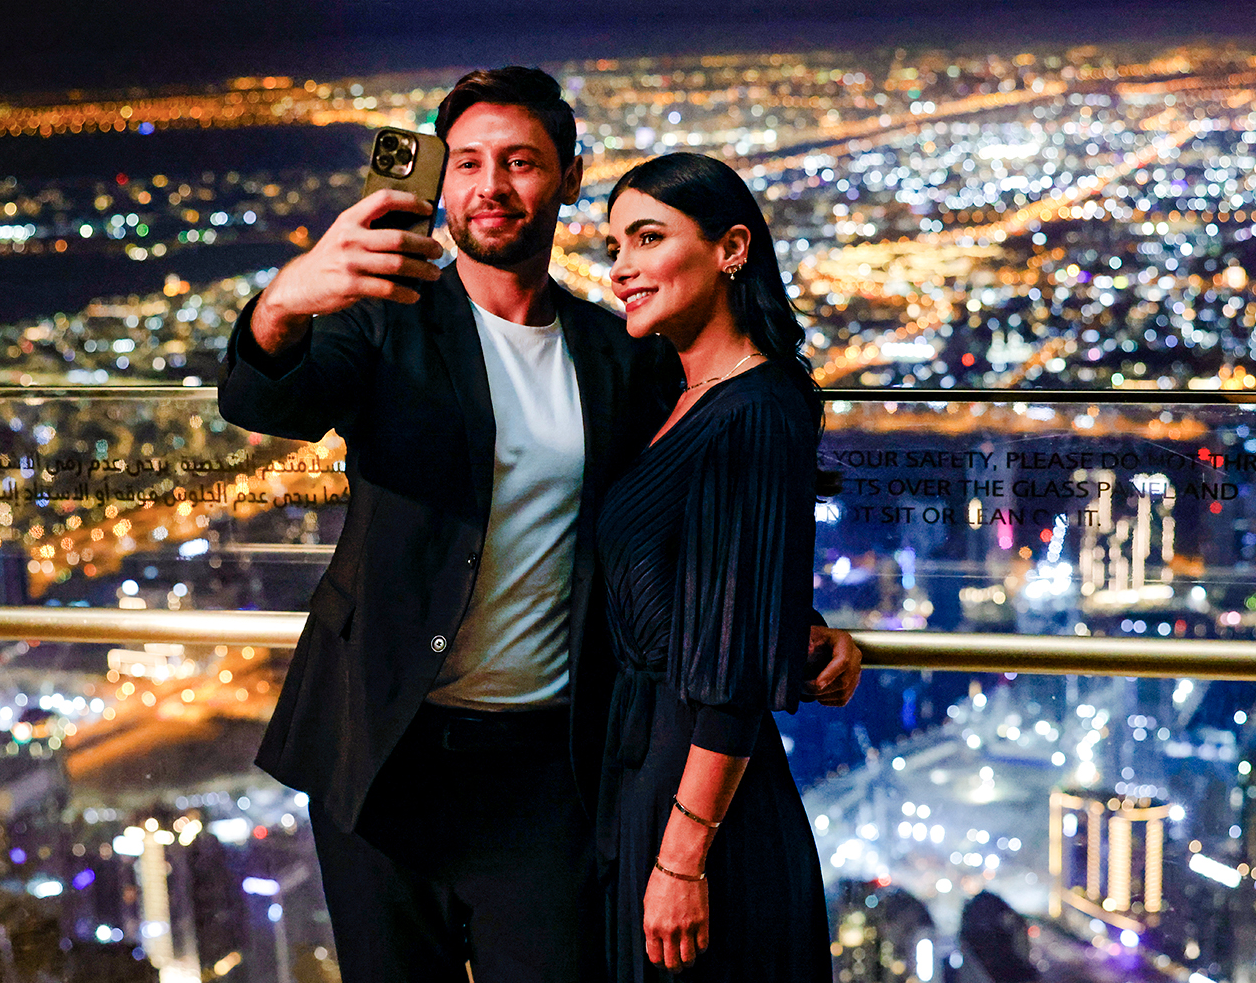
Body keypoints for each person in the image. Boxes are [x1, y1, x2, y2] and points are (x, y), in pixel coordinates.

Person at [217, 67, 860, 983]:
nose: (490, 186)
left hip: (550, 771)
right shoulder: (383, 324)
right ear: (439, 182)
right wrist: (285, 300)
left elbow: (688, 518)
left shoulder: (620, 351)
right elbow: (260, 401)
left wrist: (795, 621)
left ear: (566, 177)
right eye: (468, 162)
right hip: (381, 756)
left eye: (520, 161)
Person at [598, 152, 833, 981]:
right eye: (614, 245)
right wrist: (797, 623)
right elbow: (708, 574)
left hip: (698, 796)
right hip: (644, 767)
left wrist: (681, 859)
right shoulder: (673, 393)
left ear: (732, 249)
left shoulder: (758, 410)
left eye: (648, 237)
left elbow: (729, 678)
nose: (623, 267)